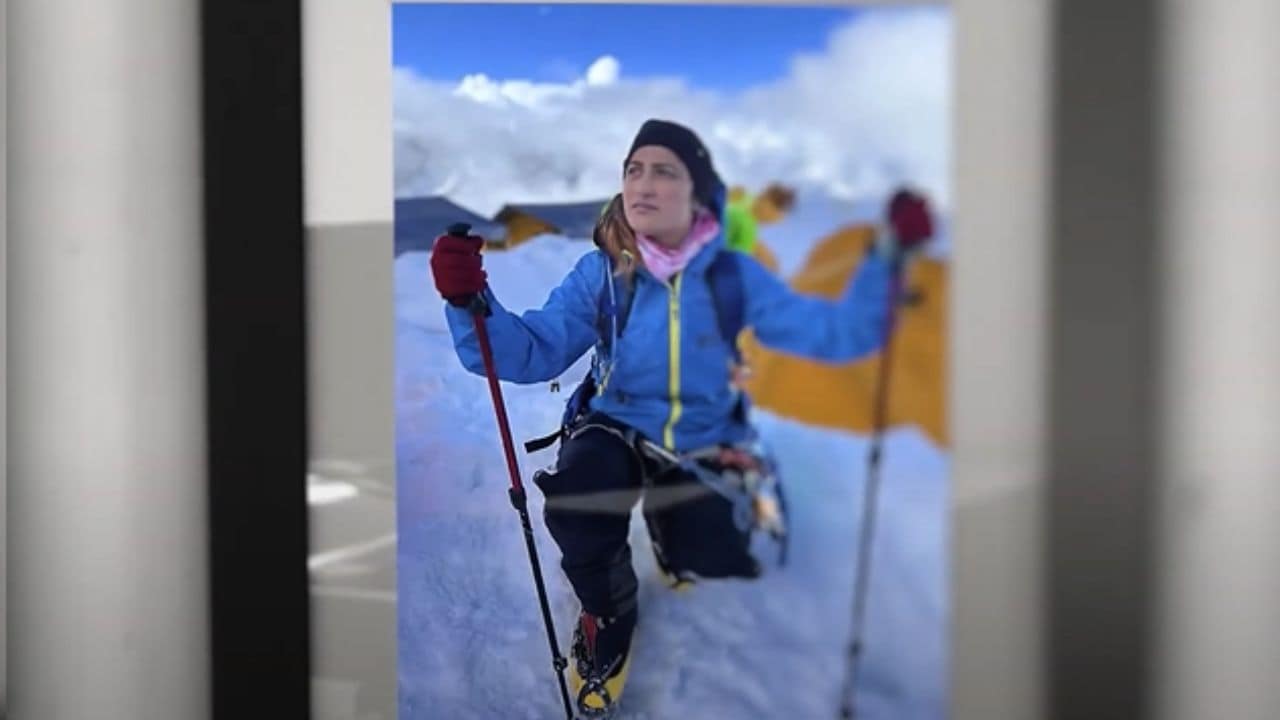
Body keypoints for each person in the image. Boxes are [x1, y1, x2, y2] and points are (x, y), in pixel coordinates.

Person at [429, 118, 933, 716]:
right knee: (578, 503)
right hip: (612, 422)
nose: (642, 183)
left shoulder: (731, 275)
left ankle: (677, 533)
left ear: (696, 191)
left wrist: (886, 260)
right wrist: (470, 302)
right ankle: (608, 613)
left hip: (701, 434)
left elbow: (835, 333)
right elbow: (532, 350)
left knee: (714, 554)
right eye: (633, 169)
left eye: (663, 170)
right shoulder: (602, 273)